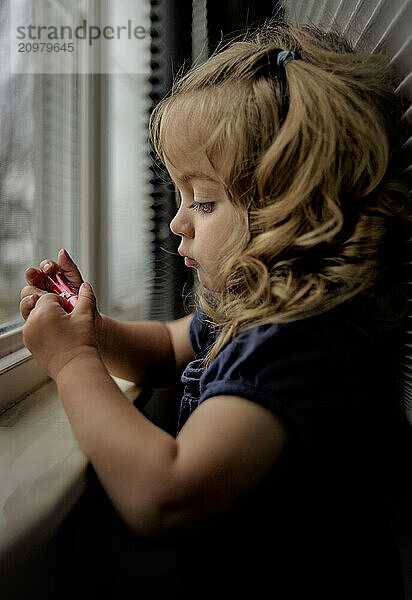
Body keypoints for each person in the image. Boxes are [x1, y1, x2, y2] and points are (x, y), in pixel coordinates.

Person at [20, 19, 412, 600]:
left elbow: (166, 494)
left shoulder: (297, 337)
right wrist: (93, 329)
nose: (177, 223)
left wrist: (73, 360)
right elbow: (168, 350)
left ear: (292, 209)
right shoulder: (252, 307)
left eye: (203, 201)